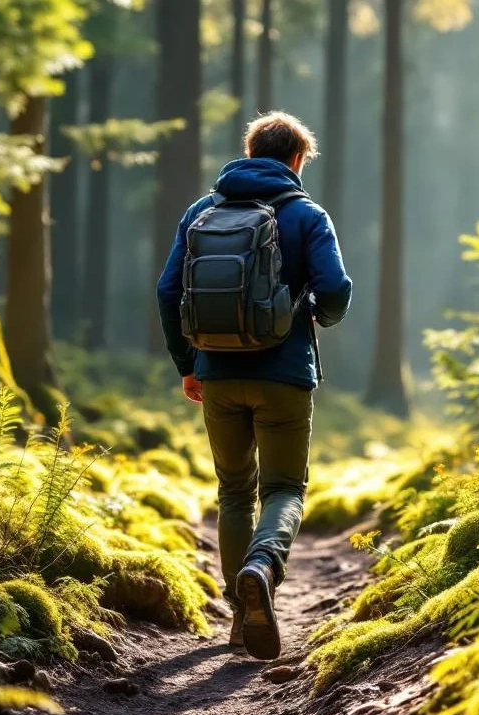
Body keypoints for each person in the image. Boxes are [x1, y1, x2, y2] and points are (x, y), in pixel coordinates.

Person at [156, 112, 352, 660]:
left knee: (233, 491)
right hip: (285, 375)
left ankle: (242, 622)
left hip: (216, 373)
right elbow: (334, 289)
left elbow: (169, 290)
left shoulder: (202, 211)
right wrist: (316, 314)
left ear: (249, 152)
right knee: (285, 488)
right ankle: (263, 566)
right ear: (296, 159)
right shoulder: (307, 214)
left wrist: (187, 364)